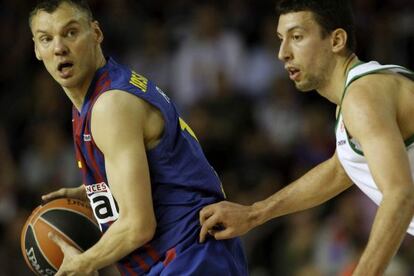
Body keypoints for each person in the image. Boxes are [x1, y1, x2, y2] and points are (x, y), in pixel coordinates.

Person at [28, 0, 248, 275]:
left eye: (71, 32)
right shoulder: (99, 94)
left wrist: (82, 264)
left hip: (190, 256)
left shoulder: (111, 105)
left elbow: (138, 226)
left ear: (96, 33)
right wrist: (100, 190)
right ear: (37, 50)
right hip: (189, 255)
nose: (59, 47)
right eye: (46, 39)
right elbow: (163, 170)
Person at [199, 0, 414, 275]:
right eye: (280, 39)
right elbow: (340, 169)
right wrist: (255, 213)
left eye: (297, 37)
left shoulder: (362, 96)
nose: (282, 53)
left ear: (336, 40)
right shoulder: (358, 94)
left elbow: (400, 194)